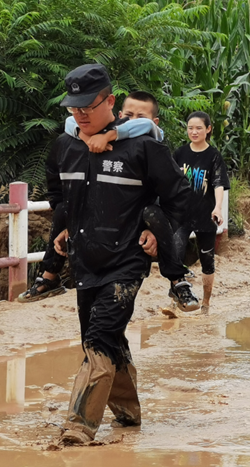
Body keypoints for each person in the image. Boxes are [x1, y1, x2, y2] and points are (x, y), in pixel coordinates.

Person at [46, 64, 191, 445]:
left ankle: (79, 426)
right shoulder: (65, 146)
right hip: (84, 262)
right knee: (105, 339)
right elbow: (57, 194)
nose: (80, 114)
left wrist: (156, 231)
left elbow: (179, 197)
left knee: (98, 337)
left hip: (126, 261)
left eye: (88, 106)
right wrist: (64, 227)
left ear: (110, 101)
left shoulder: (144, 147)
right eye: (74, 107)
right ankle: (127, 413)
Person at [18, 92, 199, 310]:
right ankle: (49, 275)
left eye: (141, 116)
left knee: (154, 215)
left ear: (155, 121)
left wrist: (110, 135)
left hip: (146, 212)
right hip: (104, 223)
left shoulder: (150, 140)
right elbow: (70, 122)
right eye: (128, 115)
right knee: (64, 208)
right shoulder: (95, 139)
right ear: (120, 115)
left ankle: (177, 280)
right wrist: (88, 137)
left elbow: (144, 129)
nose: (134, 121)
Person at [172, 111, 230, 314]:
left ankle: (206, 304)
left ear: (208, 129)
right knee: (175, 255)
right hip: (181, 215)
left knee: (207, 259)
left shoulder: (213, 156)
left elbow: (218, 184)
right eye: (190, 128)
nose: (194, 132)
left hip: (206, 215)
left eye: (198, 128)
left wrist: (218, 207)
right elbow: (170, 181)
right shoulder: (179, 154)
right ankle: (176, 301)